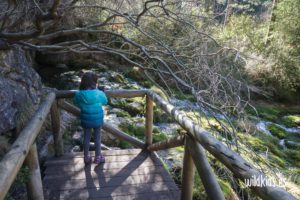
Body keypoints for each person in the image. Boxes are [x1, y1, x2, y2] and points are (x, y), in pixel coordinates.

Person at [74, 72, 108, 165]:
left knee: (86, 138)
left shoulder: (79, 94)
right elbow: (105, 101)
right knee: (97, 138)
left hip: (85, 119)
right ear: (94, 82)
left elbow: (75, 102)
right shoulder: (99, 93)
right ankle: (98, 158)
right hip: (97, 120)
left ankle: (86, 158)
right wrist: (101, 91)